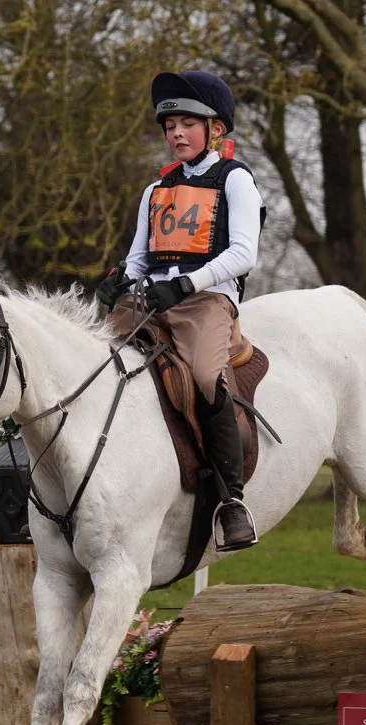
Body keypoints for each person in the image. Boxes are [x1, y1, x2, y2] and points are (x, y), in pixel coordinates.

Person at [97, 69, 265, 551]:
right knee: (90, 361)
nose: (176, 134)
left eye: (187, 124)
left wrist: (187, 283)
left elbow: (243, 253)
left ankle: (231, 502)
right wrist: (117, 282)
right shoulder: (157, 190)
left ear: (215, 129)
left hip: (206, 302)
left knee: (208, 379)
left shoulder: (235, 180)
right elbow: (138, 257)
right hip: (152, 299)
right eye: (169, 127)